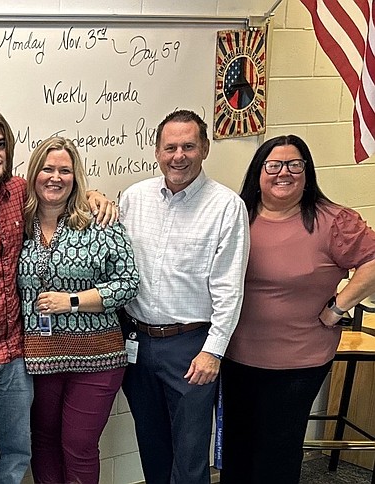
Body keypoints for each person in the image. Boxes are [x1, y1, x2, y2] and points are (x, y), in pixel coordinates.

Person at [0, 108, 117, 484]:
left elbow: (61, 184)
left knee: (13, 459)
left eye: (0, 145)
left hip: (15, 361)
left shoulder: (18, 194)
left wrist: (93, 193)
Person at [221, 135, 375, 483]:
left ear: (307, 173)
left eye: (295, 164)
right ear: (258, 173)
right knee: (237, 449)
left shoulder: (332, 221)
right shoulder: (235, 216)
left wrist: (339, 307)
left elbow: (372, 261)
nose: (283, 173)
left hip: (297, 363)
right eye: (273, 165)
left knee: (276, 452)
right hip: (234, 356)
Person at [118, 109, 250, 484]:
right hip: (137, 343)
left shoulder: (226, 207)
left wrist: (213, 351)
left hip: (192, 347)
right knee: (152, 446)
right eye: (170, 147)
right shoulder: (133, 198)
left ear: (205, 148)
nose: (179, 156)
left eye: (189, 146)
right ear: (157, 151)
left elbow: (229, 289)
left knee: (190, 456)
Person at [17, 136, 138, 484]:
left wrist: (71, 301)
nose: (55, 177)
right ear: (34, 173)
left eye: (65, 170)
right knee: (42, 442)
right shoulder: (17, 223)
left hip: (97, 357)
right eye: (47, 168)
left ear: (76, 176)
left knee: (79, 444)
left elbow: (129, 282)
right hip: (38, 358)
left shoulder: (100, 221)